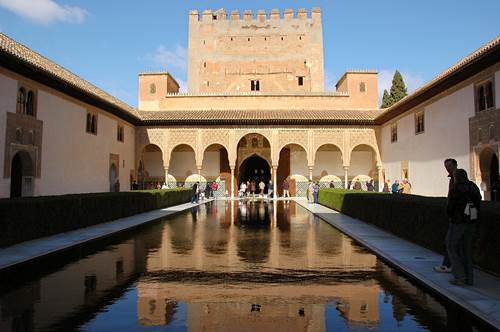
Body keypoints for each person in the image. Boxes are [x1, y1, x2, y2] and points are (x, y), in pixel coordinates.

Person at [446, 168, 481, 286]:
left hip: (458, 222)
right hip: (471, 221)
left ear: (456, 177)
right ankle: (469, 279)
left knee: (451, 246)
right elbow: (478, 202)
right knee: (466, 249)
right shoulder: (473, 187)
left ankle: (460, 277)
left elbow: (450, 206)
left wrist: (451, 216)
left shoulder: (455, 188)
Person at [434, 158, 458, 273]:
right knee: (454, 243)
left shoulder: (457, 180)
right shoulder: (452, 179)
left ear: (455, 165)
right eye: (446, 166)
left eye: (449, 166)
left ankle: (450, 266)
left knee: (450, 242)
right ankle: (454, 267)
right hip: (456, 216)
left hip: (457, 217)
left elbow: (455, 199)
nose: (447, 168)